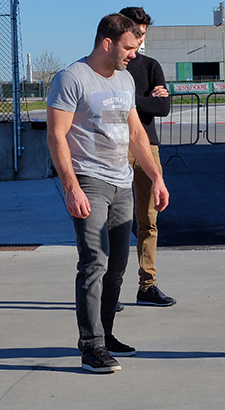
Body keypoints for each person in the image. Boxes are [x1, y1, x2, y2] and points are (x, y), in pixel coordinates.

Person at [46, 13, 170, 373]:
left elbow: (136, 134)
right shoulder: (72, 78)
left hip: (122, 181)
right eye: (130, 47)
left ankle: (107, 335)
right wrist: (71, 187)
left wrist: (156, 177)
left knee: (117, 266)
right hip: (88, 179)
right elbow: (56, 135)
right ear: (107, 43)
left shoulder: (126, 80)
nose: (135, 53)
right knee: (94, 262)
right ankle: (91, 345)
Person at [115, 6, 175, 310]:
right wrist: (145, 100)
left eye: (144, 35)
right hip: (116, 146)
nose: (140, 41)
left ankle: (147, 285)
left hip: (148, 146)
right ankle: (108, 289)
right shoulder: (112, 64)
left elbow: (163, 109)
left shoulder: (150, 65)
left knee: (148, 221)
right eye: (137, 34)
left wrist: (128, 101)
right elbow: (109, 102)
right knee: (115, 220)